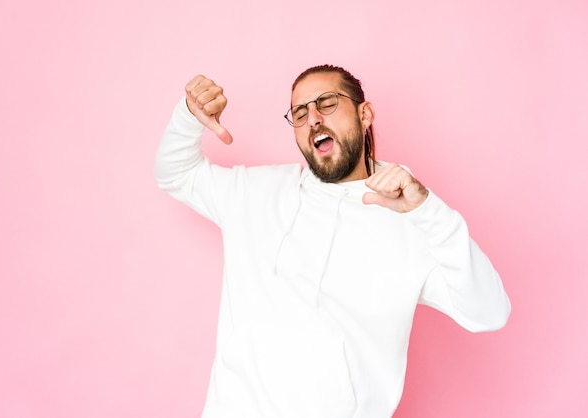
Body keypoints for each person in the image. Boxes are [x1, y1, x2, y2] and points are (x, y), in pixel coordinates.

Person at [155, 64, 511, 418]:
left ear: (364, 113)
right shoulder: (254, 192)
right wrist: (189, 116)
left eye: (326, 103)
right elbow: (177, 174)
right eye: (300, 112)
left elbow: (489, 312)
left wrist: (429, 211)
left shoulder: (413, 223)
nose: (313, 119)